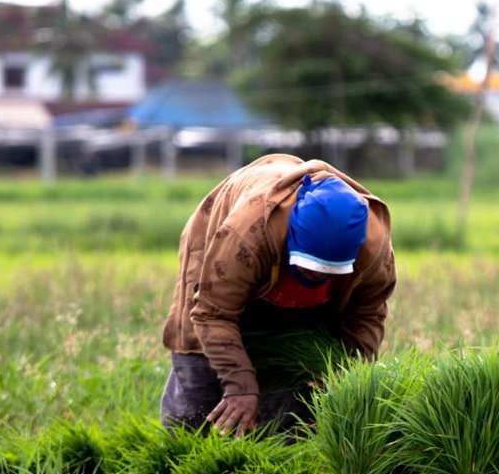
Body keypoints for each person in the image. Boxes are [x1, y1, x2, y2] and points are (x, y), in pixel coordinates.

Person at [160, 153, 396, 436]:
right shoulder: (247, 235)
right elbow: (212, 312)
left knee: (293, 402)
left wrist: (348, 384)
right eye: (311, 269)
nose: (318, 277)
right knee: (199, 400)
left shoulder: (373, 251)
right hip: (222, 251)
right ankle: (182, 447)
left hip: (301, 295)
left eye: (329, 272)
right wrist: (240, 386)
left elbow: (366, 316)